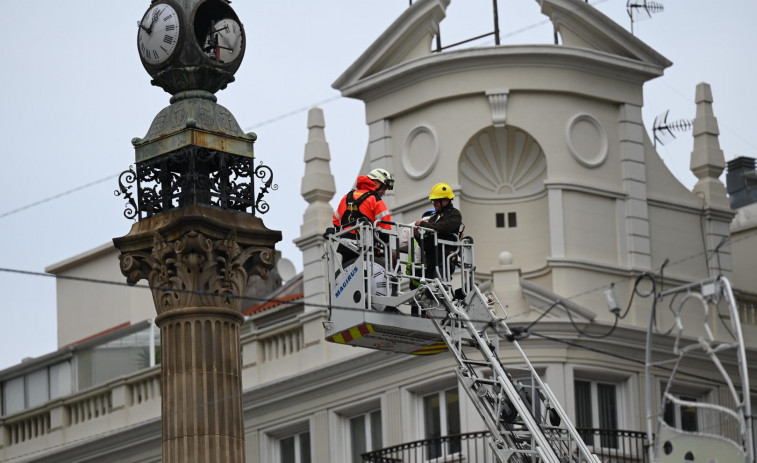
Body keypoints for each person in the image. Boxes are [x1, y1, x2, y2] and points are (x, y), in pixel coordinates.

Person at [332, 168, 395, 262]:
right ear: (376, 182)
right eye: (384, 188)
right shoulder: (375, 199)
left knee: (349, 274)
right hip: (366, 248)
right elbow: (385, 228)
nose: (384, 192)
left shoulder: (346, 197)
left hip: (345, 247)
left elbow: (336, 221)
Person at [414, 183, 463, 280]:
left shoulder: (454, 214)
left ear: (446, 200)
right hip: (431, 263)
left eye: (437, 200)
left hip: (444, 260)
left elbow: (445, 227)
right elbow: (427, 245)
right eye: (433, 201)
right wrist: (418, 236)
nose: (434, 203)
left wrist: (425, 225)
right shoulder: (433, 218)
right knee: (431, 291)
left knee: (439, 287)